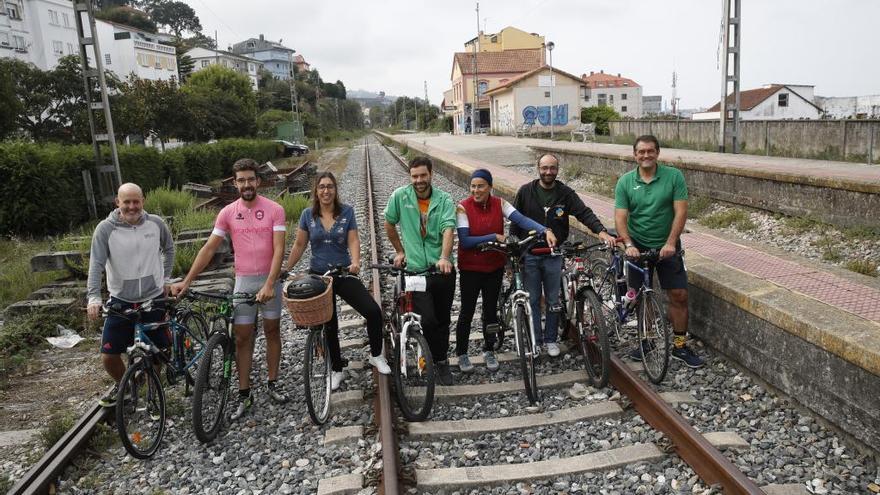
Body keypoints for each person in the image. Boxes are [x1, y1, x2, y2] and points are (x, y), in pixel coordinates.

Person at [171, 158, 288, 420]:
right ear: (235, 183)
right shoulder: (227, 213)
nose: (247, 184)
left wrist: (270, 283)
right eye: (241, 180)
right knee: (242, 338)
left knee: (272, 331)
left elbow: (279, 247)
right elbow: (209, 248)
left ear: (258, 181)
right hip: (244, 280)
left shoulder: (275, 209)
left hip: (269, 280)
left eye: (250, 179)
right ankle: (244, 393)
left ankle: (272, 381)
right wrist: (187, 281)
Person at [286, 172, 392, 390]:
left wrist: (355, 262)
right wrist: (285, 269)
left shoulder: (347, 212)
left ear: (335, 189)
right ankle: (336, 369)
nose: (326, 191)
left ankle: (376, 355)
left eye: (330, 186)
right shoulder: (308, 215)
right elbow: (299, 245)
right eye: (322, 187)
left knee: (372, 311)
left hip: (343, 272)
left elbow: (353, 239)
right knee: (329, 325)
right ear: (316, 190)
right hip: (319, 278)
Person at [512, 153, 616, 357]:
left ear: (557, 169)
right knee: (532, 299)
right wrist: (514, 252)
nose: (548, 172)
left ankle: (550, 339)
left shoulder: (565, 193)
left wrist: (601, 231)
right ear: (538, 168)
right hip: (530, 254)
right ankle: (536, 340)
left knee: (553, 299)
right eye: (544, 168)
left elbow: (584, 213)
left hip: (553, 254)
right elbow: (515, 221)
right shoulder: (525, 192)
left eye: (552, 168)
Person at [614, 135, 704, 368]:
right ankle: (648, 341)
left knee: (679, 294)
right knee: (641, 296)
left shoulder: (674, 177)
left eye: (650, 151)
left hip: (667, 243)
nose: (646, 155)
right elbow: (620, 216)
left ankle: (680, 345)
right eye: (641, 152)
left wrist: (671, 242)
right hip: (637, 245)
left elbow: (681, 212)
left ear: (657, 153)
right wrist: (628, 244)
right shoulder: (625, 181)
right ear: (635, 155)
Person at [455, 169, 557, 373]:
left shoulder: (499, 203)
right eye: (473, 186)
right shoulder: (463, 208)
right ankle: (462, 353)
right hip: (471, 268)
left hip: (494, 266)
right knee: (467, 311)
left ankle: (489, 349)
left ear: (490, 187)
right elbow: (465, 241)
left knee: (491, 310)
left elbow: (521, 219)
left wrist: (544, 230)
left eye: (481, 186)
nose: (476, 190)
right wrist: (494, 236)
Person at [87, 183, 175, 407]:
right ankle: (128, 385)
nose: (132, 206)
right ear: (118, 202)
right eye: (126, 202)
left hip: (153, 297)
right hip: (121, 299)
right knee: (109, 355)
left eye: (136, 201)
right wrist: (94, 297)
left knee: (158, 352)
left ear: (143, 201)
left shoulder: (156, 224)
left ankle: (152, 391)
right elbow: (96, 264)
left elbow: (169, 249)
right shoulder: (105, 229)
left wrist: (165, 279)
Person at [384, 156, 457, 386]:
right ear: (410, 177)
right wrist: (399, 250)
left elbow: (448, 229)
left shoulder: (444, 199)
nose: (419, 180)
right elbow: (389, 222)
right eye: (414, 176)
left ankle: (442, 361)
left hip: (441, 270)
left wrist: (444, 258)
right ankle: (429, 357)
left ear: (431, 174)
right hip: (415, 271)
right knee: (427, 319)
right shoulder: (400, 196)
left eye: (423, 175)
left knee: (443, 319)